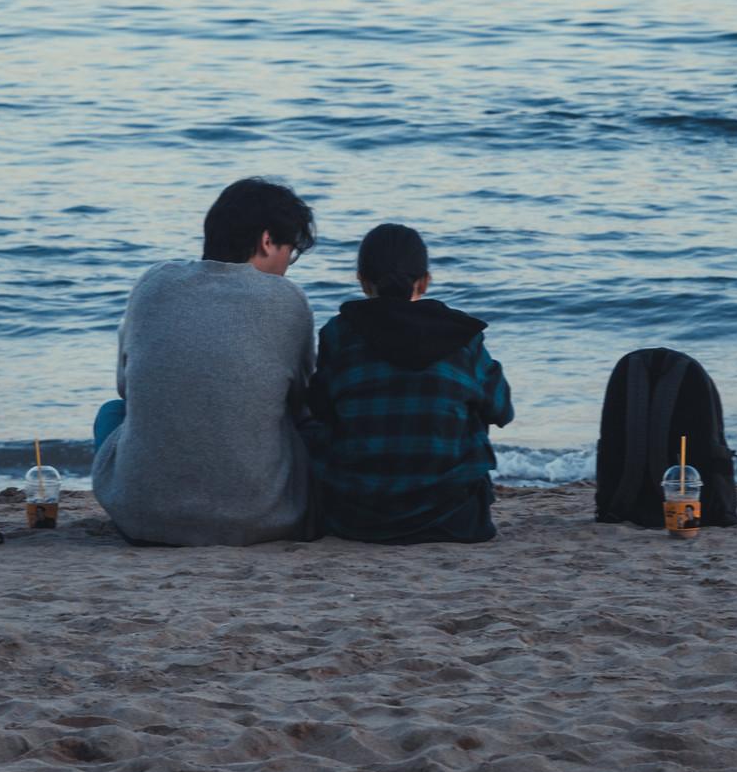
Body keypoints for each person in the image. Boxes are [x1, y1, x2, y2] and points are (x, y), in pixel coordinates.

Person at [91, 177, 317, 545]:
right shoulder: (287, 299)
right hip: (262, 519)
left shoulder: (153, 283)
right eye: (289, 253)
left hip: (141, 517)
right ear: (266, 241)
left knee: (111, 413)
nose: (287, 267)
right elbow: (302, 401)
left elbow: (127, 388)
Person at [308, 222, 513, 544]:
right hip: (454, 517)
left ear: (362, 281)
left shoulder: (339, 333)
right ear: (425, 281)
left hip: (356, 516)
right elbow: (502, 410)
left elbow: (318, 408)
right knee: (473, 401)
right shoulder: (462, 335)